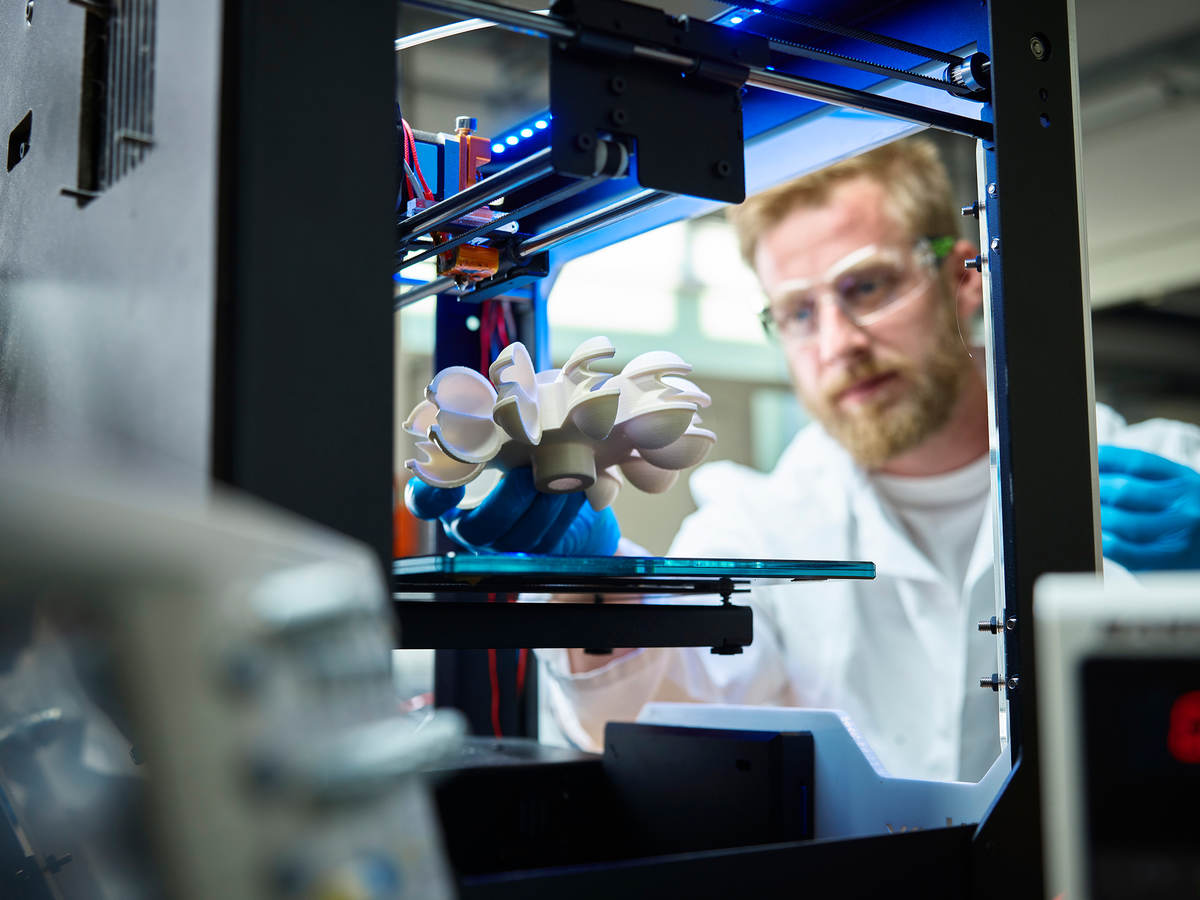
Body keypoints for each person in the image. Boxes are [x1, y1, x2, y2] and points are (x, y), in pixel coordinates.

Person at [407, 138, 1200, 782]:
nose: (839, 344)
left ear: (964, 276)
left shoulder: (1162, 476)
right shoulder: (759, 520)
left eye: (869, 286)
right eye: (798, 311)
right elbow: (655, 730)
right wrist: (600, 583)